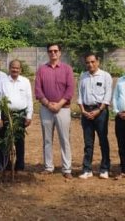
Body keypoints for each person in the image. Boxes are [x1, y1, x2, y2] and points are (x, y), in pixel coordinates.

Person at [35, 43, 75, 178]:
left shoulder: (67, 69)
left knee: (64, 139)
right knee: (47, 139)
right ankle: (48, 166)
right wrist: (47, 103)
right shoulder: (42, 69)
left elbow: (70, 90)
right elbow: (38, 90)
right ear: (48, 53)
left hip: (63, 109)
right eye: (50, 51)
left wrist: (59, 104)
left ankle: (67, 169)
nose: (53, 53)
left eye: (55, 51)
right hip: (46, 109)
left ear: (60, 53)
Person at [77, 52, 112, 179]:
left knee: (103, 140)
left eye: (92, 62)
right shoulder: (83, 76)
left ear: (98, 62)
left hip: (100, 112)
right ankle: (87, 169)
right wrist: (82, 110)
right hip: (86, 112)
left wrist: (99, 110)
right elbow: (80, 95)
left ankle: (105, 168)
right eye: (87, 62)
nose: (90, 64)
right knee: (88, 142)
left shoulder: (105, 76)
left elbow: (107, 95)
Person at [0, 59, 33, 172]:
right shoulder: (3, 81)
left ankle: (20, 166)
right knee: (5, 141)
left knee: (19, 141)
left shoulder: (25, 81)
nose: (15, 69)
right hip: (6, 115)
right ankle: (6, 164)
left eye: (17, 68)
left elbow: (29, 99)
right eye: (13, 67)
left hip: (20, 115)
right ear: (9, 68)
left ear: (20, 69)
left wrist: (29, 116)